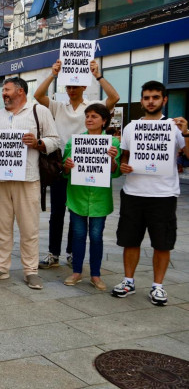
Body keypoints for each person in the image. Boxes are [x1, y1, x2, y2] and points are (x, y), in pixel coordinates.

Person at [34, 59, 120, 269]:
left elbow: (114, 97)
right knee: (56, 214)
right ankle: (54, 253)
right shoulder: (57, 106)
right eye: (69, 86)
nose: (72, 90)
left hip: (84, 167)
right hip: (61, 165)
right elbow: (37, 96)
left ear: (84, 86)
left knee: (76, 213)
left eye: (75, 86)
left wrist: (98, 75)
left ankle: (73, 252)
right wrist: (53, 74)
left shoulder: (92, 106)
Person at [0, 77, 61, 290]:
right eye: (3, 90)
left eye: (7, 90)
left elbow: (55, 140)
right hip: (1, 181)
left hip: (28, 179)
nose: (4, 94)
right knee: (1, 226)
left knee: (29, 228)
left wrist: (38, 143)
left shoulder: (39, 111)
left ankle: (30, 271)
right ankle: (1, 267)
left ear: (21, 91)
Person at [111, 81, 189, 305]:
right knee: (130, 240)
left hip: (163, 195)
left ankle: (158, 286)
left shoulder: (174, 127)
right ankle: (128, 281)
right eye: (147, 97)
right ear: (142, 100)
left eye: (155, 97)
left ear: (164, 100)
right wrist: (124, 165)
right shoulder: (131, 127)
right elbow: (125, 155)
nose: (151, 101)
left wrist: (187, 131)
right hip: (134, 192)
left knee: (162, 243)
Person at [61, 103, 121, 290]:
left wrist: (112, 159)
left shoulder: (114, 143)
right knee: (78, 235)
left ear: (104, 121)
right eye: (87, 116)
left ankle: (96, 275)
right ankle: (77, 271)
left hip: (99, 200)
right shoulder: (74, 141)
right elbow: (64, 169)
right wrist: (67, 165)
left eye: (94, 116)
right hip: (77, 197)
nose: (89, 119)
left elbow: (115, 172)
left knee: (96, 236)